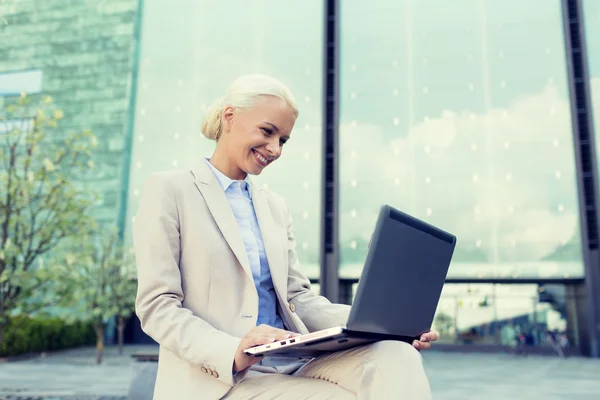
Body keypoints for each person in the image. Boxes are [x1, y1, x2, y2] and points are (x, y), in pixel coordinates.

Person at [133, 74, 439, 399]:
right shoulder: (170, 190)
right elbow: (157, 305)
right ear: (230, 117)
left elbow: (298, 299)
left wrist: (385, 325)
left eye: (283, 140)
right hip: (222, 378)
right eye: (268, 132)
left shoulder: (275, 207)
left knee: (398, 355)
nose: (275, 149)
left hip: (291, 361)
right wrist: (232, 349)